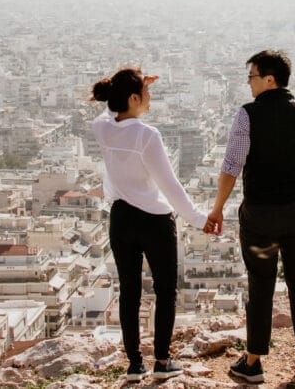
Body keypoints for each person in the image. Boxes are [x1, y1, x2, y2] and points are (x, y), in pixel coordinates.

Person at [206, 50, 295, 383]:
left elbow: (231, 166)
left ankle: (254, 362)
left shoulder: (248, 116)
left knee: (261, 285)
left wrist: (217, 209)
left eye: (252, 77)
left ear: (269, 79)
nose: (249, 84)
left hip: (260, 216)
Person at [91, 67, 214, 381]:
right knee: (165, 291)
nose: (150, 97)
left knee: (129, 291)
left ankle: (134, 364)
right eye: (146, 93)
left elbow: (109, 112)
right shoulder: (147, 136)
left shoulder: (102, 129)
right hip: (154, 221)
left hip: (120, 219)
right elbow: (171, 186)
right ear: (134, 98)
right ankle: (162, 360)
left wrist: (130, 85)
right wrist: (199, 220)